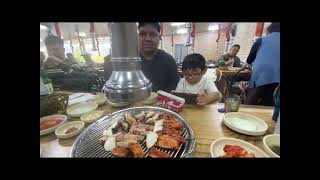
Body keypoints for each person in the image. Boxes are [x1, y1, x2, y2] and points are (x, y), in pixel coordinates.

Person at [240, 23, 280, 106]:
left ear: (270, 30)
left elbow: (252, 55)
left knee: (252, 98)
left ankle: (244, 114)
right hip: (278, 75)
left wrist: (247, 63)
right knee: (270, 100)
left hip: (261, 73)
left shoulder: (262, 40)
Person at [138, 22, 180, 92]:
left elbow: (175, 87)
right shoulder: (130, 61)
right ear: (137, 37)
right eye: (142, 34)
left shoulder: (169, 60)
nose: (147, 39)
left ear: (159, 38)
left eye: (153, 34)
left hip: (163, 102)